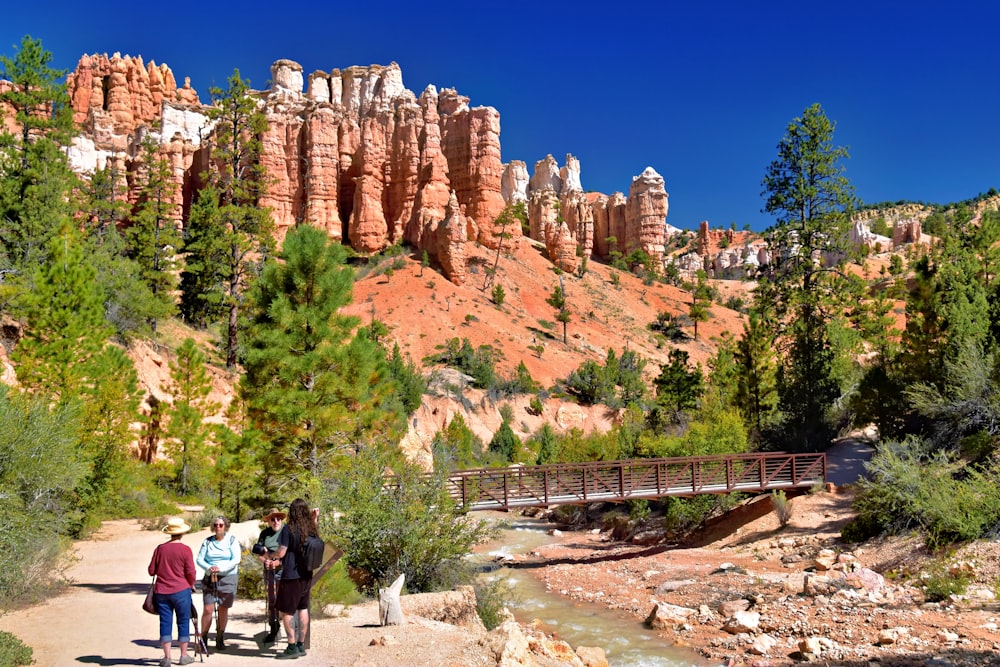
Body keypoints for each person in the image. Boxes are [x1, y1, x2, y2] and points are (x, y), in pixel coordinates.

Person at [272, 498, 320, 660]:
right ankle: (300, 644)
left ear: (292, 512)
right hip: (306, 575)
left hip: (291, 575)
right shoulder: (310, 528)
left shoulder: (288, 529)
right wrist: (314, 519)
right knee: (303, 608)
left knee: (286, 610)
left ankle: (291, 646)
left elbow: (282, 552)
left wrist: (272, 556)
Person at [149, 517, 197, 667]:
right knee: (183, 621)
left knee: (165, 622)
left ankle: (167, 657)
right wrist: (191, 584)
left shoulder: (160, 549)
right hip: (181, 590)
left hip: (162, 591)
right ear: (182, 533)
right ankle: (183, 656)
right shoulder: (185, 550)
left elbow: (151, 571)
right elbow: (191, 572)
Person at [196, 515, 241, 651]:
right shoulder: (207, 542)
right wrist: (209, 569)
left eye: (220, 525)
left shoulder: (232, 540)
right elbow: (200, 559)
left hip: (227, 577)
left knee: (223, 608)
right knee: (208, 609)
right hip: (210, 577)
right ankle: (203, 638)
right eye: (215, 525)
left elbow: (235, 559)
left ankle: (220, 637)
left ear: (225, 526)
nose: (218, 527)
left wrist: (221, 568)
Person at [254, 507, 286, 644]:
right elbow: (259, 552)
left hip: (284, 570)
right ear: (269, 521)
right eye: (272, 519)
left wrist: (278, 562)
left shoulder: (286, 532)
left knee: (285, 600)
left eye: (278, 518)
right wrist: (266, 561)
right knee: (271, 599)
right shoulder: (264, 534)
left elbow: (290, 553)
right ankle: (274, 629)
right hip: (269, 571)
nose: (276, 521)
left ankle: (291, 631)